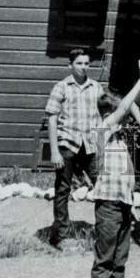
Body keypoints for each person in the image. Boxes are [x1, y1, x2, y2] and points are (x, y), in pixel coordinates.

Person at [88, 59, 140, 278]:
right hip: (108, 206)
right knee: (105, 259)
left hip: (123, 205)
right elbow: (125, 107)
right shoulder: (102, 130)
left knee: (121, 259)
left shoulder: (122, 140)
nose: (126, 119)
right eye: (121, 114)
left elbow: (138, 117)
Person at [45, 47, 102, 248]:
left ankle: (104, 231)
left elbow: (103, 118)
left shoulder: (96, 87)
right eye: (79, 63)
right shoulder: (61, 87)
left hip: (90, 145)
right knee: (63, 189)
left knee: (102, 186)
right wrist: (54, 151)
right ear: (70, 65)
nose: (83, 67)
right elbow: (52, 120)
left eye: (86, 63)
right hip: (67, 144)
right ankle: (61, 235)